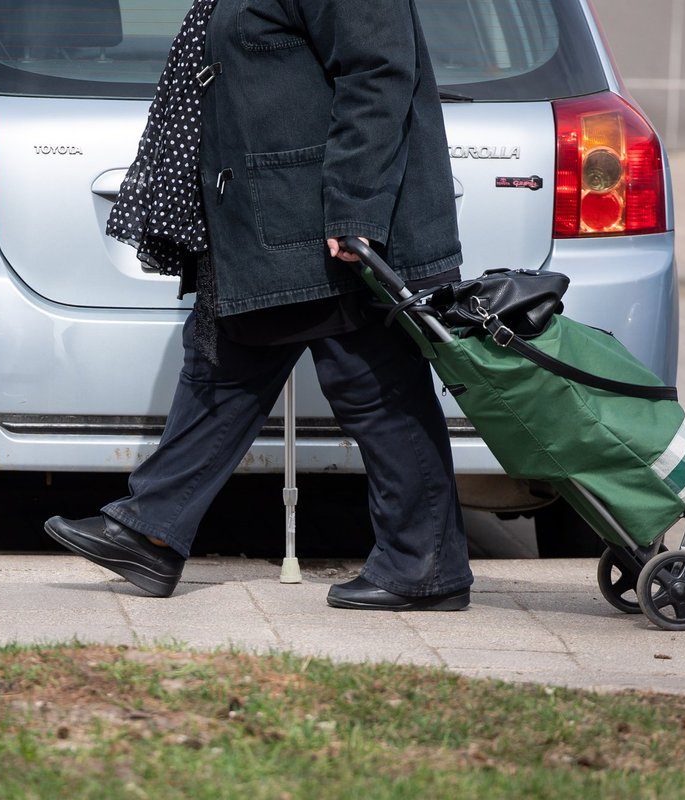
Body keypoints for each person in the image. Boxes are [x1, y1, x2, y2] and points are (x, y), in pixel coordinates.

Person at [45, 0, 473, 610]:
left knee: (371, 382)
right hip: (269, 212)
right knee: (224, 356)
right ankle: (151, 530)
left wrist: (355, 204)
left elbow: (378, 72)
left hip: (326, 218)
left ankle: (425, 565)